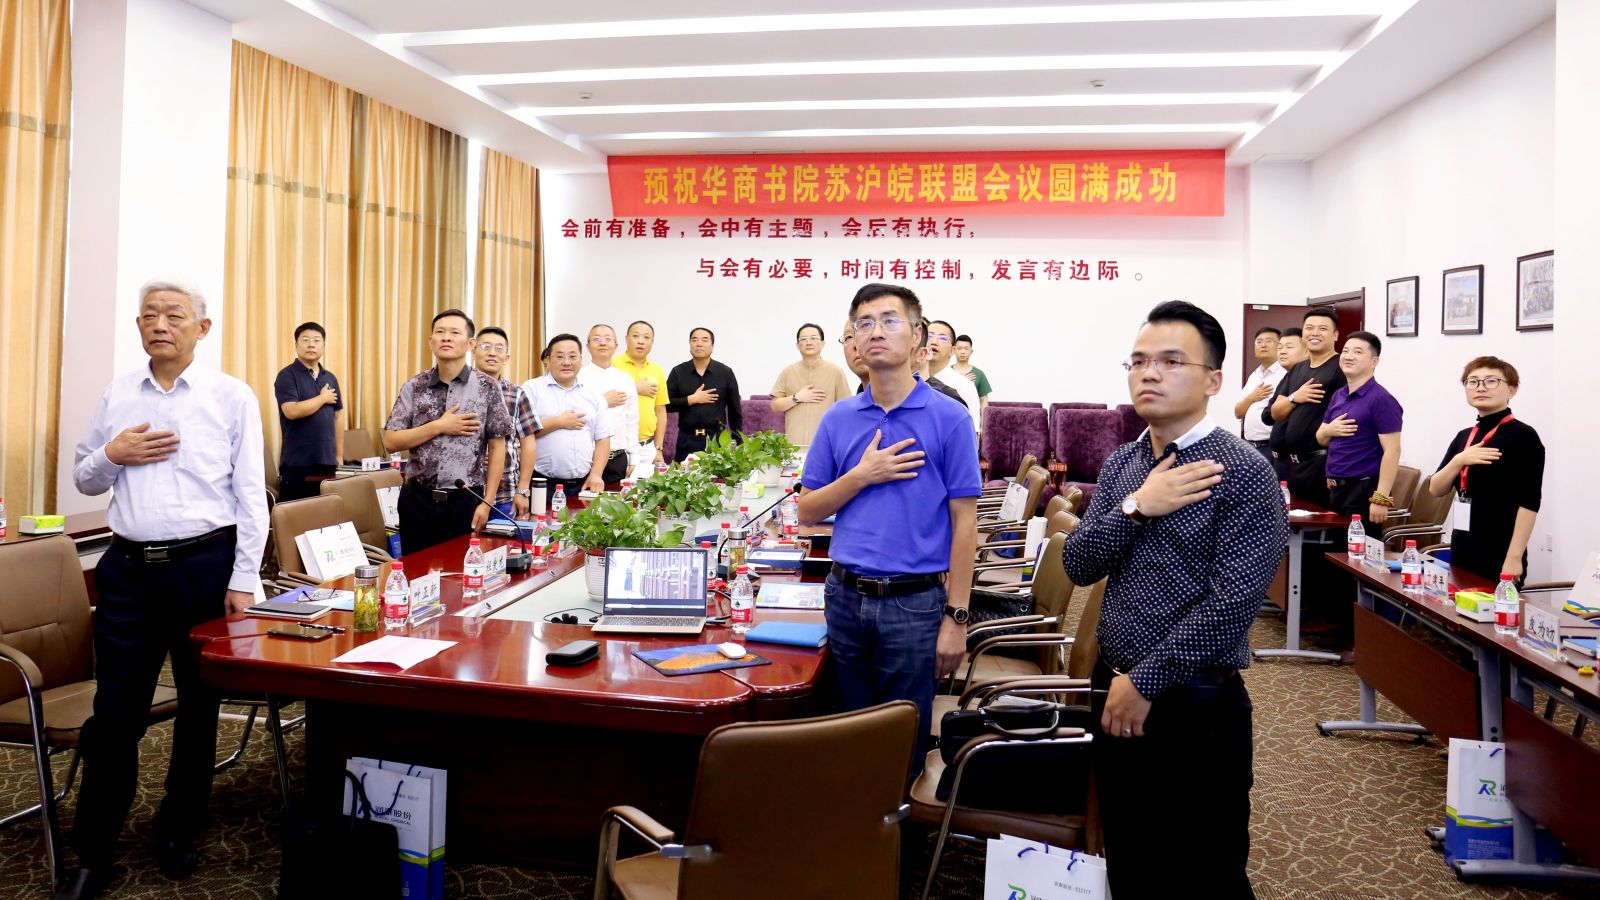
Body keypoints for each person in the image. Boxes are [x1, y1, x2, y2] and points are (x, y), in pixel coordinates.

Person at [1062, 300, 1285, 898]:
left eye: (1170, 361)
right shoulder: (1125, 461)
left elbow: (1233, 604)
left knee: (1202, 871)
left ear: (1213, 380)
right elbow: (1079, 564)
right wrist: (1138, 506)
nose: (1149, 374)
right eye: (1138, 362)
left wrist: (1146, 682)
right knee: (1130, 855)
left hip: (1193, 702)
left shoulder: (1244, 471)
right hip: (1114, 686)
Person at [62, 278, 269, 899]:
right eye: (149, 314)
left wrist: (244, 577)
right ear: (139, 326)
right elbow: (84, 478)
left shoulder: (231, 396)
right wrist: (113, 453)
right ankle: (93, 851)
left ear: (202, 328)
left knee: (199, 707)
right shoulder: (118, 393)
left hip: (204, 567)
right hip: (127, 572)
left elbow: (250, 494)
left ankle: (179, 828)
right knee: (114, 713)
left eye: (174, 315)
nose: (160, 324)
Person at [798, 283, 980, 764]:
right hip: (844, 597)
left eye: (889, 320)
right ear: (854, 339)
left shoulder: (950, 418)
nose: (875, 332)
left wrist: (957, 618)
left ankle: (900, 813)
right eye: (864, 323)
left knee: (902, 739)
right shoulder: (838, 418)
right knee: (846, 732)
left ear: (918, 335)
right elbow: (807, 511)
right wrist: (861, 476)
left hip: (914, 603)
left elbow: (965, 524)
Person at [383, 309, 513, 553]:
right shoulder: (414, 386)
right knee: (415, 572)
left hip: (465, 502)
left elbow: (498, 447)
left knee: (462, 571)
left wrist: (487, 502)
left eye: (454, 332)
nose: (446, 338)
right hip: (417, 500)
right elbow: (390, 441)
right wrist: (439, 426)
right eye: (440, 332)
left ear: (470, 344)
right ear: (430, 341)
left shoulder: (486, 387)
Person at [1426, 357, 1544, 584]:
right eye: (1473, 381)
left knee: (1490, 606)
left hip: (1500, 548)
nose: (1480, 388)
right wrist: (1459, 460)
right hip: (1462, 544)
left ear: (1512, 389)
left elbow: (1529, 502)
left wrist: (1514, 557)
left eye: (1491, 381)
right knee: (1457, 603)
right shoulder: (1464, 436)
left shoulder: (1524, 436)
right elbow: (1435, 489)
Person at [1316, 331, 1403, 536]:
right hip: (1336, 489)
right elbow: (1321, 438)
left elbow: (1393, 451)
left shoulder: (1381, 399)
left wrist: (1381, 498)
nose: (1348, 356)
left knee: (1357, 553)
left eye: (1357, 352)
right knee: (1334, 551)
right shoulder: (1339, 395)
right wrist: (1329, 429)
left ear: (1374, 361)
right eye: (1345, 351)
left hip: (1363, 491)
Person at [1266, 308, 1345, 505]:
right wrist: (1295, 398)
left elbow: (1346, 421)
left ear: (1335, 335)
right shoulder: (1299, 368)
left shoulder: (1340, 368)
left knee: (1318, 522)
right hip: (1293, 465)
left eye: (1322, 329)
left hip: (1321, 465)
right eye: (1309, 328)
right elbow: (1276, 412)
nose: (1314, 333)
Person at [524, 333, 613, 505]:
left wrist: (596, 474)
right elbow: (522, 433)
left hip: (584, 484)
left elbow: (603, 439)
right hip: (543, 483)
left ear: (580, 360)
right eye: (560, 357)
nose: (566, 362)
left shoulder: (593, 395)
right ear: (547, 360)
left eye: (572, 357)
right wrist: (559, 422)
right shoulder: (531, 389)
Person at [273, 322, 345, 500]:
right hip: (298, 464)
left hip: (328, 462)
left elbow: (338, 417)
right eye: (305, 340)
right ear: (296, 345)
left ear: (323, 345)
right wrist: (323, 398)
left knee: (327, 512)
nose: (311, 345)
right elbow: (291, 411)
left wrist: (339, 455)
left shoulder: (330, 378)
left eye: (316, 340)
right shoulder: (287, 376)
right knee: (298, 513)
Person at [473, 326, 539, 519]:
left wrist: (523, 489)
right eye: (485, 347)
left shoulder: (516, 394)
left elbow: (528, 443)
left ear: (506, 357)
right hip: (465, 494)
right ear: (473, 351)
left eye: (499, 348)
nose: (492, 353)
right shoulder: (459, 390)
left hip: (505, 494)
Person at [770, 322, 853, 446]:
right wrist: (797, 398)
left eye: (813, 338)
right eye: (804, 339)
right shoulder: (788, 371)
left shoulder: (835, 371)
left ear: (822, 343)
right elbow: (775, 405)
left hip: (825, 444)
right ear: (797, 345)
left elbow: (846, 408)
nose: (808, 342)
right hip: (793, 444)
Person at [665, 327, 743, 458]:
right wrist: (691, 399)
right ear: (690, 345)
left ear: (712, 346)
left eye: (704, 340)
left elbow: (735, 411)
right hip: (686, 440)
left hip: (717, 440)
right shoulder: (678, 372)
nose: (699, 343)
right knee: (683, 471)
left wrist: (737, 442)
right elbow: (666, 404)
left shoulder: (725, 373)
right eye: (694, 340)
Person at [580, 323, 641, 480]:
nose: (602, 343)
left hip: (618, 459)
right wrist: (603, 401)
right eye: (596, 339)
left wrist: (634, 458)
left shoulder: (626, 379)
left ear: (616, 346)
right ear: (587, 346)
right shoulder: (578, 378)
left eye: (607, 339)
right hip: (586, 459)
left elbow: (631, 422)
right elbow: (575, 415)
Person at [613, 320, 668, 464]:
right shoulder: (613, 365)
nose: (641, 341)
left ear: (652, 342)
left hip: (647, 447)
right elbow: (605, 400)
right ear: (626, 339)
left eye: (646, 337)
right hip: (619, 447)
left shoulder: (657, 370)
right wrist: (635, 389)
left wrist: (658, 448)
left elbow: (660, 411)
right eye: (636, 336)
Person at [1233, 325, 1282, 462]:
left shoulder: (1285, 373)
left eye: (1269, 341)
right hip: (1249, 446)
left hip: (1272, 447)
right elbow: (1238, 412)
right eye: (1259, 342)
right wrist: (1251, 397)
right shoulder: (1254, 375)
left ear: (1280, 346)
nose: (1263, 345)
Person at [925, 319, 982, 432]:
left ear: (952, 350)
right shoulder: (909, 381)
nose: (934, 342)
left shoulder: (964, 386)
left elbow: (972, 431)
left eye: (943, 338)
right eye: (929, 336)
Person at [950, 334, 992, 415]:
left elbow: (983, 401)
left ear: (971, 351)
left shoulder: (979, 374)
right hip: (951, 416)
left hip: (973, 418)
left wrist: (983, 422)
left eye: (966, 348)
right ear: (954, 350)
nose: (963, 352)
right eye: (959, 348)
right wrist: (962, 381)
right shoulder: (946, 372)